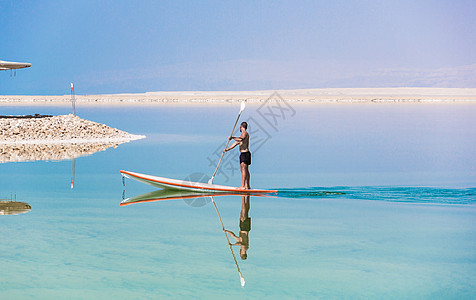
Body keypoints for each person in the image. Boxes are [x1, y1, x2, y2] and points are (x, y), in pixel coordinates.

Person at [223, 122, 251, 190]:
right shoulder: (241, 135)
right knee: (244, 169)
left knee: (244, 169)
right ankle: (247, 186)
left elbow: (240, 139)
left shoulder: (244, 133)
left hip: (245, 154)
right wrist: (227, 149)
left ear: (241, 126)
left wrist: (232, 137)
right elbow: (235, 143)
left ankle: (243, 185)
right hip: (244, 154)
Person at [224, 195, 251, 260]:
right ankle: (243, 198)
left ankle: (247, 197)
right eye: (241, 254)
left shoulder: (239, 242)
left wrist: (226, 231)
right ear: (242, 254)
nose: (240, 253)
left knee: (243, 212)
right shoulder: (245, 248)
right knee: (244, 213)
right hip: (245, 228)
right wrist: (233, 245)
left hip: (243, 228)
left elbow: (233, 235)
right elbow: (242, 244)